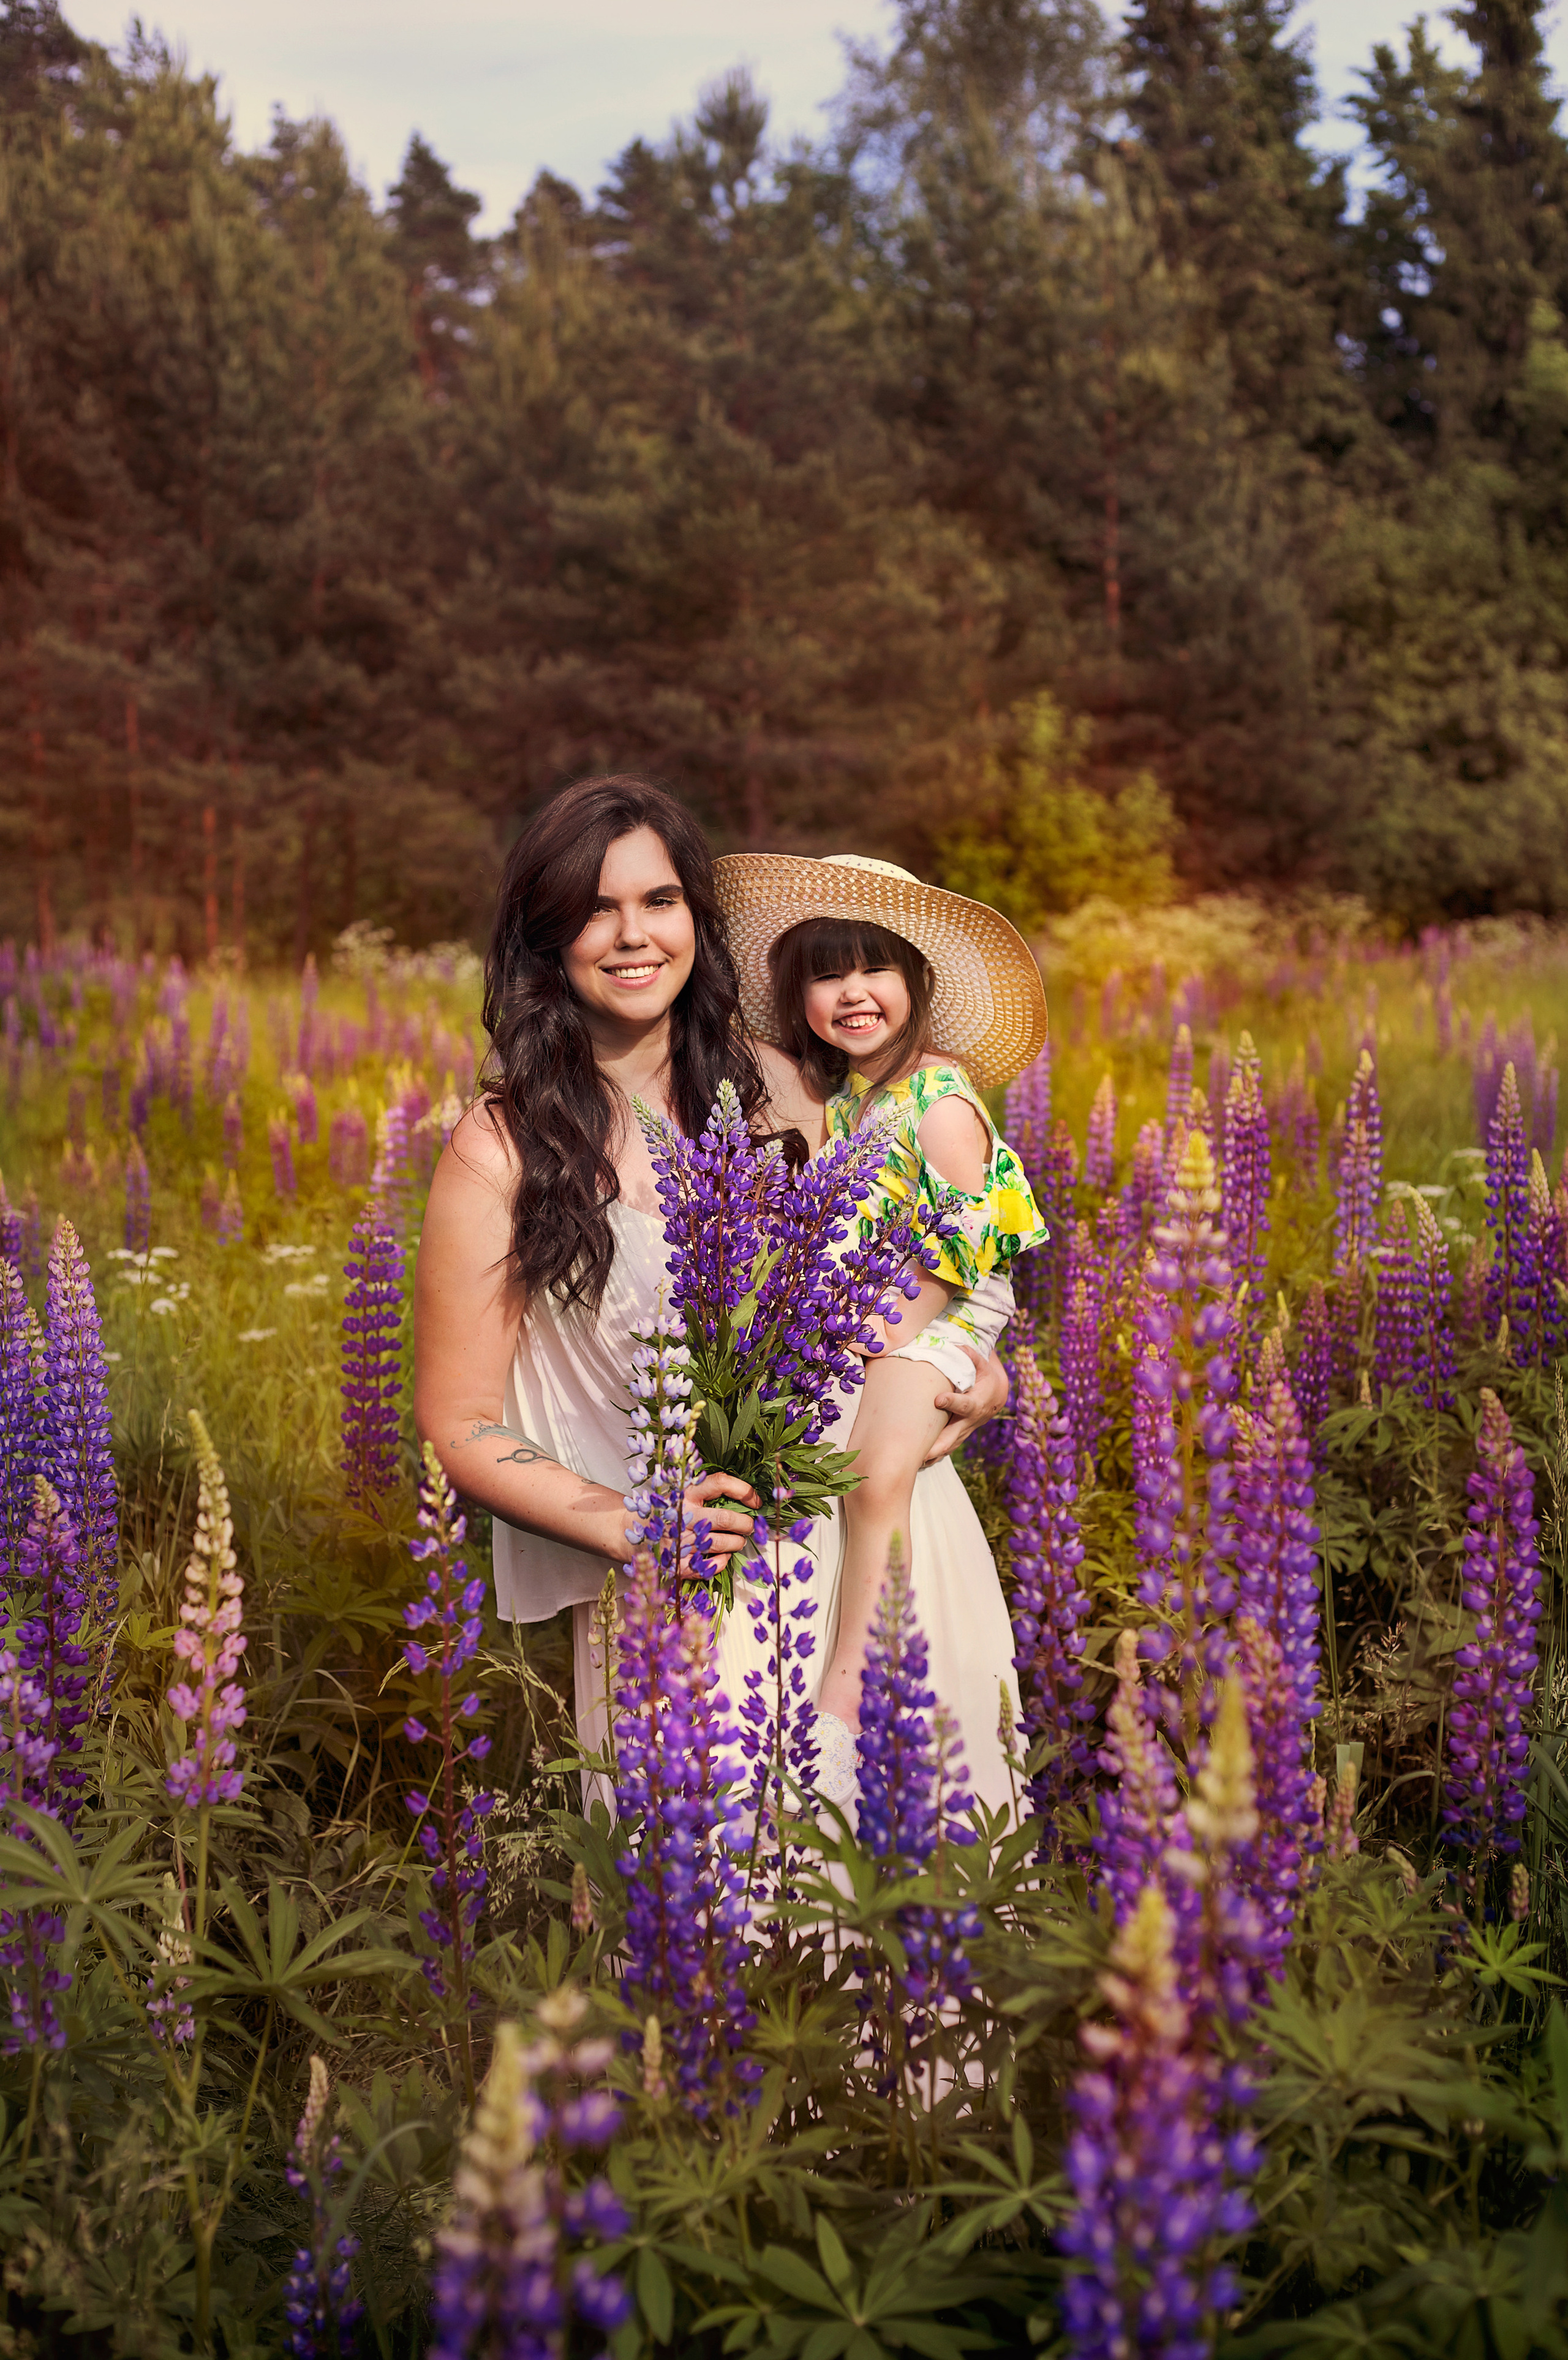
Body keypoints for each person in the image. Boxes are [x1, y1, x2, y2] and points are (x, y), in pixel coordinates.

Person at [413, 778, 1009, 1782]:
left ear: (695, 916)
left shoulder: (786, 1082)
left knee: (910, 1908)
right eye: (596, 908)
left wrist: (976, 1366)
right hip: (684, 1586)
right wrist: (632, 1525)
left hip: (885, 1542)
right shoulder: (503, 1148)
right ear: (547, 936)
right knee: (700, 1919)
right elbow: (459, 1419)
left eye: (658, 901)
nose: (632, 934)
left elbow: (929, 1252)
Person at [714, 850, 1049, 1810]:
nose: (853, 993)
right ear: (799, 994)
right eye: (827, 973)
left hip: (938, 1308)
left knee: (875, 1470)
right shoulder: (854, 1092)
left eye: (876, 969)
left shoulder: (939, 1100)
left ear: (917, 982)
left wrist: (873, 1334)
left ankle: (855, 1671)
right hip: (877, 1300)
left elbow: (960, 1251)